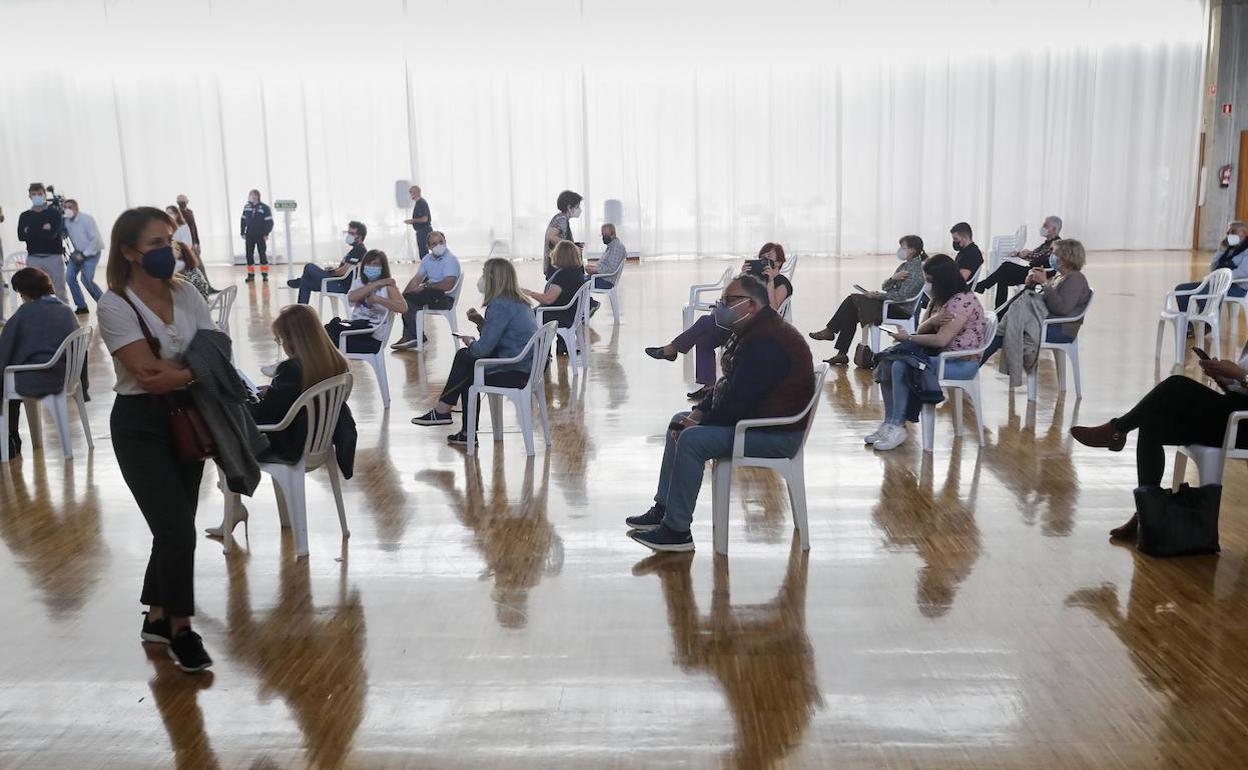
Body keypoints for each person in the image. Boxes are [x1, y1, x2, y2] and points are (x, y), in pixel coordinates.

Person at [95, 206, 219, 673]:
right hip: (140, 425)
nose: (167, 251)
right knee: (176, 529)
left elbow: (216, 349)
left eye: (168, 241)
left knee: (176, 523)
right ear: (128, 253)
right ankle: (181, 630)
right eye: (154, 245)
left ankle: (156, 615)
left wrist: (187, 373)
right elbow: (147, 375)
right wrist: (198, 371)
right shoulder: (115, 304)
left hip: (188, 418)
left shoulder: (186, 293)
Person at [626, 275, 815, 552]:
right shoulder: (752, 331)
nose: (721, 307)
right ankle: (664, 509)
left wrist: (698, 424)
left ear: (750, 305)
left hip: (775, 434)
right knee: (679, 421)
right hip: (756, 422)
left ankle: (677, 532)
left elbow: (737, 403)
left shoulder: (768, 342)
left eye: (728, 301)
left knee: (691, 439)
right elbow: (727, 389)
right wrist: (698, 414)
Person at [1071, 344, 1248, 540]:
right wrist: (1226, 378)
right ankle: (1146, 514)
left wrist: (1241, 375)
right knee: (1152, 423)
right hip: (1235, 412)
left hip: (1242, 424)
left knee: (1176, 385)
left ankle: (1116, 430)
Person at [867, 254, 988, 451]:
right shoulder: (938, 300)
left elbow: (941, 339)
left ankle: (898, 425)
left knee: (901, 365)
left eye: (930, 280)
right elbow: (923, 329)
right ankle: (889, 422)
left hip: (959, 362)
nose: (927, 285)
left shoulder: (961, 301)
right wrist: (931, 322)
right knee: (887, 362)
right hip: (937, 356)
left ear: (942, 279)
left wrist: (908, 338)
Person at [411, 258, 538, 446]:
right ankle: (458, 426)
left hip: (514, 371)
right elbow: (499, 337)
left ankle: (445, 413)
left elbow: (482, 350)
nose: (481, 279)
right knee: (466, 363)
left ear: (493, 278)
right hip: (525, 366)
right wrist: (480, 322)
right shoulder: (517, 302)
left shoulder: (500, 305)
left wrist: (470, 342)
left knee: (466, 360)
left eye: (484, 274)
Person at [646, 243, 793, 399]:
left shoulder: (782, 283)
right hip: (737, 324)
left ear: (779, 263)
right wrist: (742, 278)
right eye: (762, 257)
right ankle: (708, 387)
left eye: (769, 257)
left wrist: (770, 282)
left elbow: (774, 310)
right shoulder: (754, 280)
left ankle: (672, 349)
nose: (764, 260)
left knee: (704, 322)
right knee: (705, 339)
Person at [809, 235, 926, 366]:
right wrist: (893, 278)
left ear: (912, 250)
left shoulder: (917, 271)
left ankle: (832, 335)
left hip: (899, 309)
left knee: (852, 301)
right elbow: (885, 287)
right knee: (851, 309)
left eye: (903, 248)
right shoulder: (904, 266)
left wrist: (877, 296)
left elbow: (902, 296)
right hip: (890, 304)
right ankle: (840, 351)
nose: (900, 250)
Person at [0, 267, 78, 459]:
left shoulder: (25, 313)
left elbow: (6, 348)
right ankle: (12, 437)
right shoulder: (66, 309)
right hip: (66, 376)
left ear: (24, 292)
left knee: (6, 380)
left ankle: (9, 438)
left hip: (38, 379)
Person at [980, 238, 1092, 364]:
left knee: (1001, 333)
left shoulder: (1076, 279)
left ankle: (972, 366)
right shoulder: (1060, 277)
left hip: (1058, 329)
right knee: (998, 329)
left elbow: (1061, 308)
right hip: (1046, 323)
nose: (1051, 258)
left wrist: (1044, 283)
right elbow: (1040, 300)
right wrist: (1031, 285)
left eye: (1055, 254)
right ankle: (972, 363)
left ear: (1066, 257)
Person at [322, 249, 406, 353]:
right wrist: (376, 284)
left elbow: (403, 308)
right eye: (368, 264)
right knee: (327, 330)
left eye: (375, 264)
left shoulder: (388, 287)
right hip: (355, 329)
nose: (371, 267)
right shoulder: (359, 283)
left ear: (382, 268)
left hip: (372, 337)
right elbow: (351, 298)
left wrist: (377, 299)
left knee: (324, 338)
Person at [392, 231, 461, 350]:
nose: (438, 245)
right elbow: (417, 279)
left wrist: (426, 286)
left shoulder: (450, 259)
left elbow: (448, 285)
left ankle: (415, 337)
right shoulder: (427, 259)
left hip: (445, 297)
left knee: (410, 300)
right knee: (407, 299)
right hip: (432, 293)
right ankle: (412, 336)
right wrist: (402, 297)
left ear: (445, 242)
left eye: (441, 242)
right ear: (428, 247)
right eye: (434, 244)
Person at [975, 216, 1063, 309]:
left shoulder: (1057, 244)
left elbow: (1039, 257)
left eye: (1045, 225)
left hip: (1040, 273)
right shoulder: (1046, 243)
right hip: (1032, 270)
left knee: (1006, 266)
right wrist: (1022, 254)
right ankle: (999, 311)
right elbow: (1034, 254)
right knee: (1002, 277)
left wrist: (1022, 254)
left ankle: (982, 286)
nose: (1042, 227)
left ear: (1053, 229)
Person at [1171, 221, 1248, 313]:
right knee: (1180, 289)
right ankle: (1187, 324)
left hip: (1236, 288)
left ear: (1243, 233)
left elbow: (1242, 273)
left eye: (1233, 232)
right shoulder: (1229, 248)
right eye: (1228, 233)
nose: (1229, 235)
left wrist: (1219, 279)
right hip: (1217, 283)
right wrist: (1221, 250)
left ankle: (1208, 324)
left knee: (1203, 292)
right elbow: (1213, 268)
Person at [288, 221, 368, 304]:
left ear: (360, 236)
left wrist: (330, 272)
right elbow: (345, 269)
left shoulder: (359, 250)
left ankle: (299, 281)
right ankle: (301, 313)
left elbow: (342, 272)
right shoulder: (356, 249)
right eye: (348, 233)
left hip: (340, 286)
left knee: (309, 267)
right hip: (337, 282)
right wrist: (334, 270)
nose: (348, 236)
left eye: (352, 233)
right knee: (305, 283)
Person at [526, 240, 588, 338]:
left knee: (527, 317)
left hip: (561, 315)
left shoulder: (562, 276)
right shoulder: (577, 273)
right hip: (571, 314)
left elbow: (548, 299)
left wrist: (529, 293)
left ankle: (538, 350)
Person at [17, 183, 67, 303]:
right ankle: (35, 317)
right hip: (34, 258)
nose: (37, 196)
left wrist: (30, 230)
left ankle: (64, 317)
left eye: (40, 194)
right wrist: (43, 229)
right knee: (32, 290)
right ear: (29, 196)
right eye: (34, 194)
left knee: (59, 290)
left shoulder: (54, 213)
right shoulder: (25, 216)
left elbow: (53, 234)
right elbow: (21, 236)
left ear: (45, 195)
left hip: (54, 257)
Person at [61, 199, 105, 315]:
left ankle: (104, 304)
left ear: (76, 208)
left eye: (70, 207)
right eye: (65, 207)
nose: (67, 210)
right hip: (77, 253)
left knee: (86, 280)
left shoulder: (87, 219)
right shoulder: (66, 221)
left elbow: (95, 240)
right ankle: (81, 306)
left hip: (92, 252)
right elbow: (63, 235)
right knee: (69, 277)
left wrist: (84, 255)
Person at [544, 190, 582, 278]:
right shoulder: (561, 219)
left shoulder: (561, 218)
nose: (579, 209)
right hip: (557, 264)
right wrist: (573, 248)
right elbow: (552, 237)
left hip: (558, 262)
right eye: (577, 206)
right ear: (569, 207)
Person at [239, 190, 274, 283]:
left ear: (258, 196)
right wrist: (242, 232)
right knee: (249, 254)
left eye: (254, 195)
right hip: (249, 235)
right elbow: (243, 220)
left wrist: (266, 233)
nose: (252, 197)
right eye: (251, 195)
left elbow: (269, 222)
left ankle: (265, 275)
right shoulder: (246, 207)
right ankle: (250, 275)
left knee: (262, 254)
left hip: (260, 235)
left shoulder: (265, 208)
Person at [587, 223, 626, 288]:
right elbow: (607, 265)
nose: (603, 237)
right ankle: (587, 298)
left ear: (613, 234)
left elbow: (611, 269)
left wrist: (595, 270)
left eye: (606, 235)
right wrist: (593, 268)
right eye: (602, 235)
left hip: (606, 281)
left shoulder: (617, 247)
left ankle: (587, 298)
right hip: (601, 278)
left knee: (577, 282)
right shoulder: (611, 246)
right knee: (577, 279)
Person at [403, 185, 433, 258]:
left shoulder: (421, 203)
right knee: (422, 252)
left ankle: (426, 268)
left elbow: (424, 219)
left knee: (423, 253)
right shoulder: (418, 203)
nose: (410, 195)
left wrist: (412, 221)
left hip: (424, 231)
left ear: (416, 193)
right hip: (421, 231)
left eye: (411, 192)